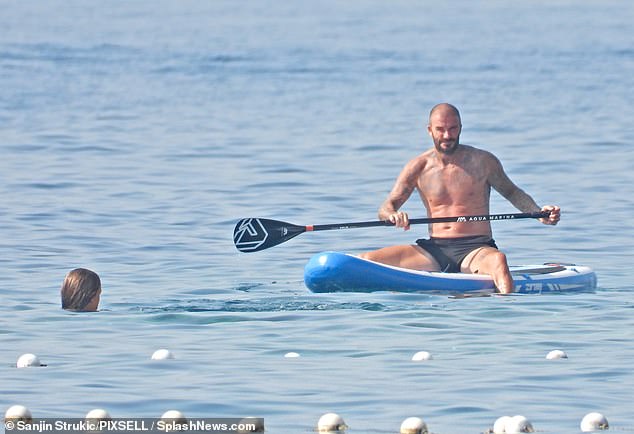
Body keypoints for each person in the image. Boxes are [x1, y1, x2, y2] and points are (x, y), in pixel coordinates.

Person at [360, 103, 560, 293]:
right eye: (440, 129)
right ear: (429, 130)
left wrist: (537, 213)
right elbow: (387, 207)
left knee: (499, 261)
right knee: (366, 260)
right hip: (434, 251)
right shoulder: (418, 167)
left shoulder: (483, 161)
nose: (447, 135)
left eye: (453, 128)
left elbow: (512, 192)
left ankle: (507, 316)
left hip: (476, 249)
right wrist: (393, 215)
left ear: (461, 128)